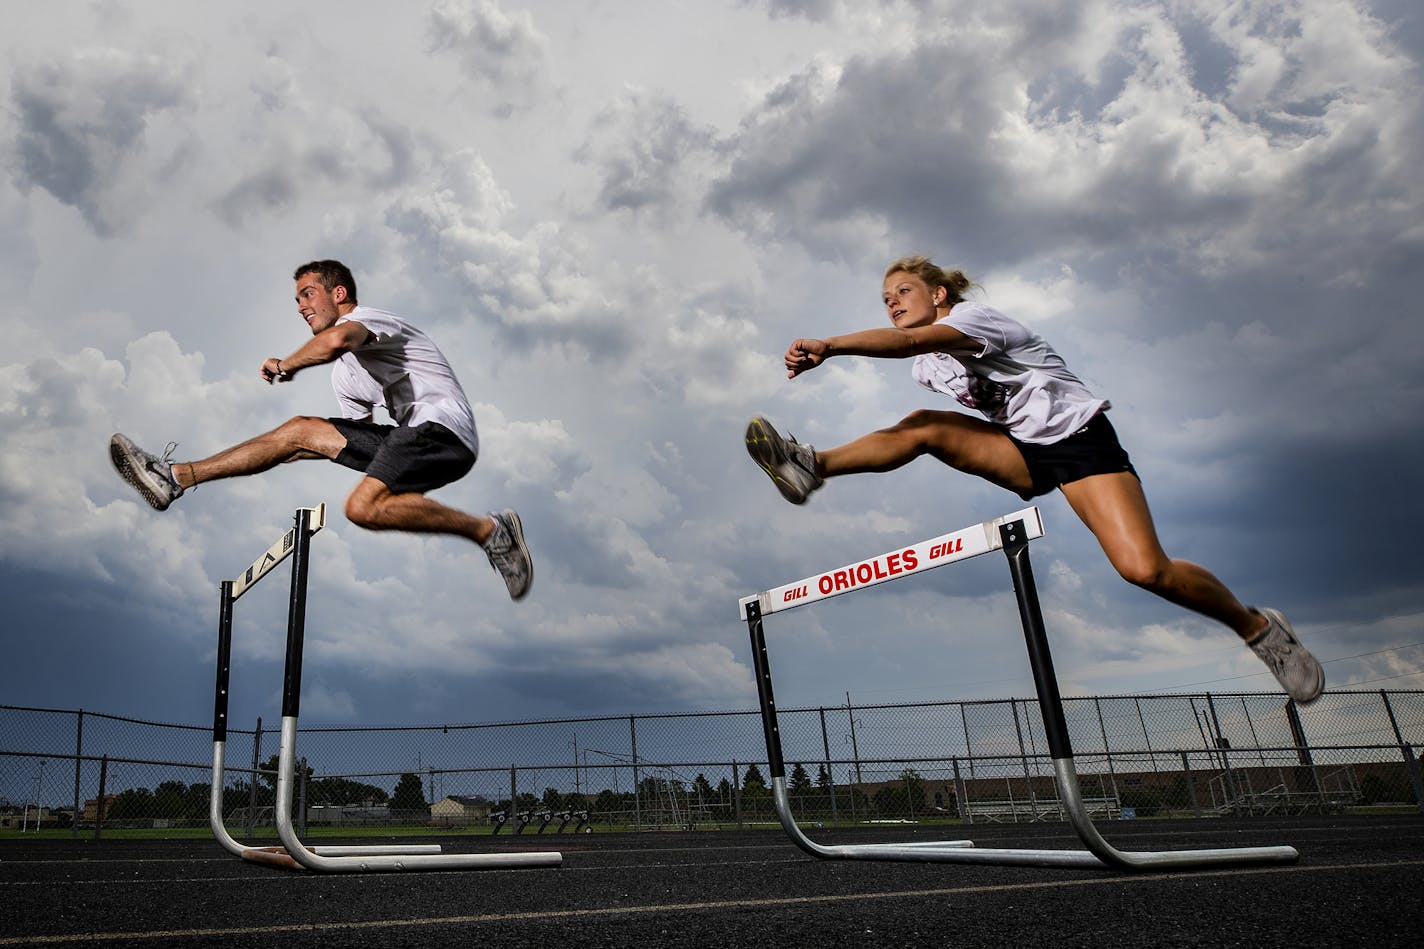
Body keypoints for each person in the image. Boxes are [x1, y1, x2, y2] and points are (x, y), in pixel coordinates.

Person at [745, 255, 1324, 703]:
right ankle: (810, 464)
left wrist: (831, 346)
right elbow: (944, 371)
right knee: (924, 428)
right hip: (1024, 450)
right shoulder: (932, 369)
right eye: (885, 298)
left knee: (1146, 570)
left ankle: (1259, 630)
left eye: (903, 292)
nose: (893, 303)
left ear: (939, 295)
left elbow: (908, 341)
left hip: (1077, 439)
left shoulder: (974, 321)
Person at [109, 259, 532, 600]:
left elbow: (336, 342)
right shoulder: (345, 378)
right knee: (298, 433)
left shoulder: (371, 319)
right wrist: (291, 449)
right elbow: (354, 442)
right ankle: (176, 477)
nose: (300, 307)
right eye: (296, 300)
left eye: (307, 294)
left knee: (359, 508)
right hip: (413, 437)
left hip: (443, 428)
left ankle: (491, 531)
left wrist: (286, 364)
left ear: (339, 293)